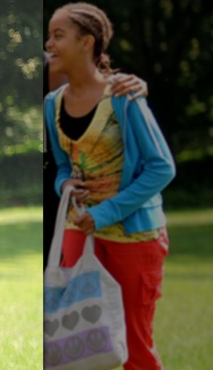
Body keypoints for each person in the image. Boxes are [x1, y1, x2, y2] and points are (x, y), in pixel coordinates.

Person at [44, 2, 176, 370]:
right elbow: (63, 166)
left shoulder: (123, 96)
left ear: (87, 42)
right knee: (79, 345)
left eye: (58, 35)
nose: (49, 44)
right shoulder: (53, 104)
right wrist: (67, 187)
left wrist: (102, 214)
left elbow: (160, 168)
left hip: (134, 237)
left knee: (135, 347)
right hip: (78, 235)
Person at [42, 52, 149, 269]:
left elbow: (85, 93)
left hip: (73, 191)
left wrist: (132, 86)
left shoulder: (52, 65)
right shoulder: (49, 65)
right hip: (60, 185)